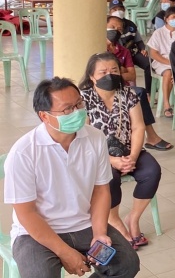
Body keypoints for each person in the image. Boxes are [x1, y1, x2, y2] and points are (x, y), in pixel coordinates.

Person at [4, 77, 140, 278]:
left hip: (84, 224)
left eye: (79, 104)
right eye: (67, 109)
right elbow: (27, 214)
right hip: (35, 233)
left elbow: (101, 190)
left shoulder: (95, 138)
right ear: (44, 116)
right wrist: (65, 252)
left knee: (127, 264)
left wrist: (100, 233)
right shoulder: (23, 153)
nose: (77, 112)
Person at [79, 53, 163, 250]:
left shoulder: (128, 94)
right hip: (98, 155)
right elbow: (83, 137)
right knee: (108, 178)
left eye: (114, 70)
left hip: (128, 149)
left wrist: (132, 157)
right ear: (91, 76)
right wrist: (112, 160)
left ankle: (133, 218)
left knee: (152, 171)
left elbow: (138, 127)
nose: (109, 75)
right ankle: (114, 220)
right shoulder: (83, 99)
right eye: (103, 72)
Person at [107, 18, 172, 151]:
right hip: (104, 90)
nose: (115, 31)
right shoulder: (98, 48)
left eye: (119, 29)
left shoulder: (123, 51)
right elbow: (103, 76)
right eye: (112, 27)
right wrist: (121, 70)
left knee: (139, 93)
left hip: (122, 88)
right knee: (138, 93)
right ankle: (151, 137)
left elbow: (131, 75)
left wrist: (116, 72)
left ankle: (150, 137)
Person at [147, 6, 175, 119]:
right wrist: (170, 63)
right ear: (166, 19)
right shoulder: (158, 33)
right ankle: (166, 105)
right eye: (173, 17)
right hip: (161, 62)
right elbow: (153, 53)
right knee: (168, 73)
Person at [109, 1, 151, 92]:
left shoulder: (131, 25)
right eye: (114, 9)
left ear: (124, 10)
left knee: (149, 64)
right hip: (116, 55)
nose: (118, 11)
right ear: (110, 12)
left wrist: (142, 49)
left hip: (132, 53)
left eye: (120, 9)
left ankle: (149, 92)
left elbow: (138, 40)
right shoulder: (107, 25)